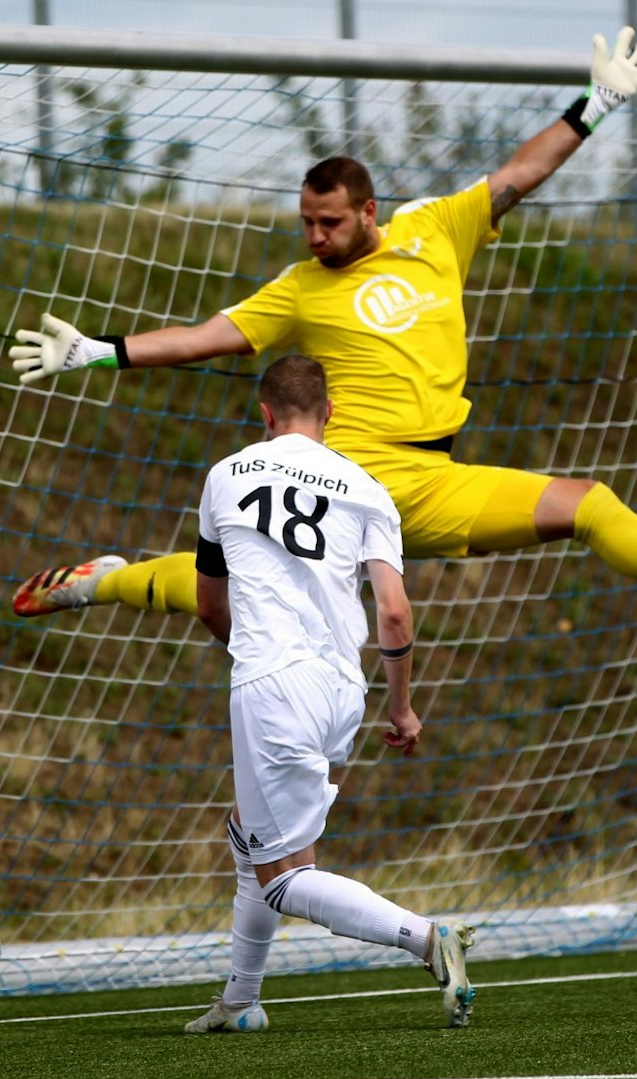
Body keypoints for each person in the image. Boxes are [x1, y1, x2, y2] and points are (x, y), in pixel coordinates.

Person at [9, 26, 637, 628]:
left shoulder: (436, 229)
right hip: (351, 485)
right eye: (304, 223)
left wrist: (595, 105)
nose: (314, 238)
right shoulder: (298, 288)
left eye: (327, 224)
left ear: (368, 212)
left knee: (589, 505)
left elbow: (517, 177)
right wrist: (97, 352)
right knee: (242, 589)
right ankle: (104, 579)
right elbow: (204, 336)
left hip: (433, 483)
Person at [182, 354, 473, 1033]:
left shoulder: (225, 475)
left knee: (283, 875)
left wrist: (251, 651)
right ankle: (240, 1001)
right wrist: (400, 705)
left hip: (271, 681)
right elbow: (394, 613)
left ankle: (430, 938)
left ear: (265, 413)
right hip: (343, 686)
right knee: (250, 835)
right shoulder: (367, 486)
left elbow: (206, 601)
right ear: (329, 414)